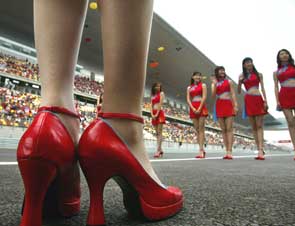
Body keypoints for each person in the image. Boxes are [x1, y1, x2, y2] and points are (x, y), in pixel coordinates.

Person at [17, 1, 183, 226]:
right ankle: (122, 126)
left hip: (50, 126)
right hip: (115, 132)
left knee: (54, 96)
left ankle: (54, 119)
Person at [273, 49, 295, 161]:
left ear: (289, 55)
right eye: (281, 54)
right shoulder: (276, 72)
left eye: (286, 53)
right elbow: (276, 86)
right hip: (284, 95)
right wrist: (277, 101)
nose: (284, 55)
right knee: (290, 122)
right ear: (278, 57)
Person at [238, 57, 268, 160]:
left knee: (259, 126)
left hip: (258, 98)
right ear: (244, 65)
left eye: (250, 62)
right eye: (246, 62)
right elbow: (238, 91)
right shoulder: (242, 76)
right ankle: (258, 147)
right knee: (254, 127)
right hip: (248, 100)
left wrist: (265, 101)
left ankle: (260, 149)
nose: (249, 64)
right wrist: (239, 82)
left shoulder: (258, 74)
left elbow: (263, 88)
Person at [212, 66, 238, 159]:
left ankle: (230, 151)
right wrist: (215, 84)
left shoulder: (229, 81)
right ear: (217, 73)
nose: (222, 72)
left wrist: (235, 105)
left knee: (229, 129)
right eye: (220, 71)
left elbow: (233, 93)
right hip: (219, 105)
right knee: (223, 130)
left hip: (228, 104)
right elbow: (213, 95)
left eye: (223, 70)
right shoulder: (214, 83)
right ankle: (226, 151)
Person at [186, 72, 208, 158]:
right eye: (196, 75)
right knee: (197, 130)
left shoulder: (203, 85)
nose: (198, 77)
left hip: (201, 106)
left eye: (199, 75)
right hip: (193, 107)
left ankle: (201, 150)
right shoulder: (189, 87)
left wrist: (199, 108)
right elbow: (188, 99)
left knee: (201, 129)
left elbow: (204, 97)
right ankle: (201, 149)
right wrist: (192, 108)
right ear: (193, 77)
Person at [150, 82, 166, 158]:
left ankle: (158, 150)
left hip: (159, 113)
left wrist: (157, 114)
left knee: (159, 132)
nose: (158, 88)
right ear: (154, 87)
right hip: (153, 113)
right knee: (157, 133)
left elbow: (160, 104)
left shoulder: (161, 93)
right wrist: (152, 114)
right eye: (156, 86)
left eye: (159, 86)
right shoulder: (152, 95)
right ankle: (160, 149)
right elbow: (151, 105)